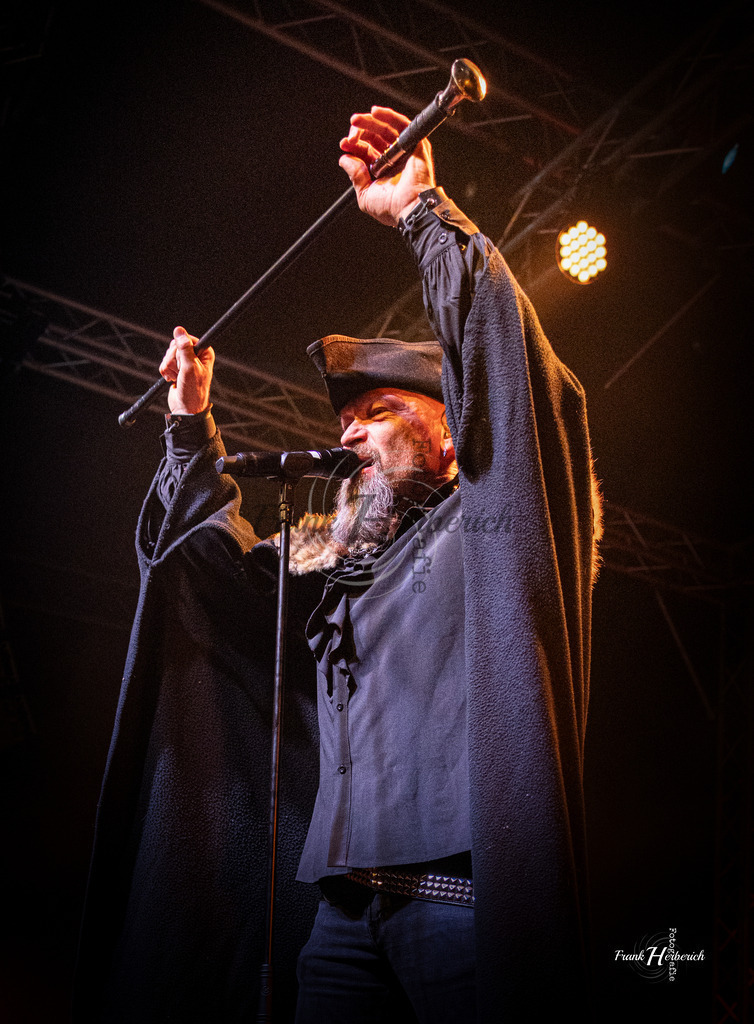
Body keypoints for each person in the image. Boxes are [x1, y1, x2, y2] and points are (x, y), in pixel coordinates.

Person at [76, 106, 601, 1023]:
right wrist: (191, 428)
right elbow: (201, 566)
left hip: (462, 912)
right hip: (339, 920)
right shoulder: (330, 570)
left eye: (382, 411)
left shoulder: (491, 529)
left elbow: (517, 391)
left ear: (449, 440)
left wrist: (422, 214)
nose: (348, 430)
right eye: (342, 421)